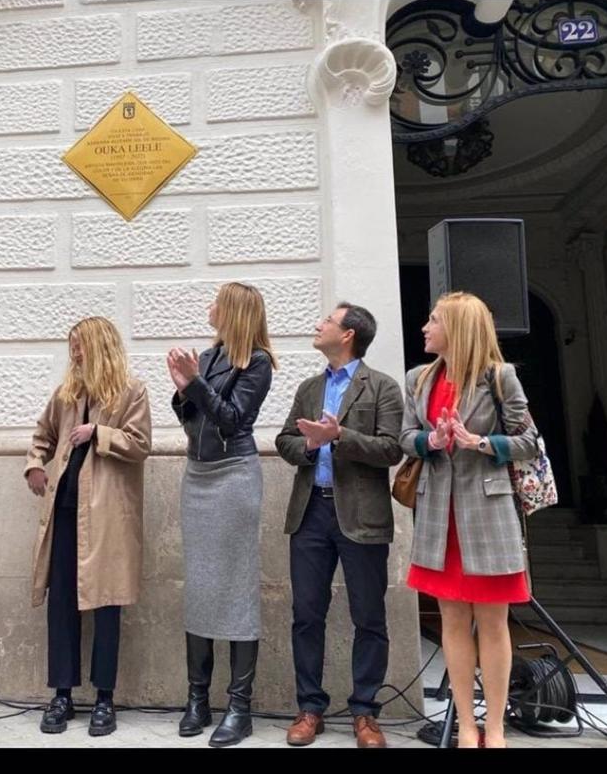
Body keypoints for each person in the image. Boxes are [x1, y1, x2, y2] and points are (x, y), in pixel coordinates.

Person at [401, 291, 537, 749]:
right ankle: (464, 724)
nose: (425, 327)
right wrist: (432, 441)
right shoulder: (418, 378)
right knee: (451, 621)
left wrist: (479, 442)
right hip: (438, 513)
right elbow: (405, 437)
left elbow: (529, 443)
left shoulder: (501, 377)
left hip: (488, 509)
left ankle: (495, 728)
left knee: (494, 623)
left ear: (457, 328)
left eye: (434, 320)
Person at [275, 302, 404, 748]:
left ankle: (365, 713)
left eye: (327, 320)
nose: (319, 324)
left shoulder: (382, 387)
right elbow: (284, 440)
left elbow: (392, 450)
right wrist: (310, 447)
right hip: (310, 512)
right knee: (306, 615)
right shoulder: (310, 387)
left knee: (369, 616)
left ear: (348, 334)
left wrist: (341, 437)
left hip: (361, 516)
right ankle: (310, 707)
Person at [24, 317, 152, 737]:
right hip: (64, 510)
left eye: (79, 345)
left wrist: (99, 431)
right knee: (62, 602)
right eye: (71, 346)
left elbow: (140, 445)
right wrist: (34, 466)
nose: (74, 353)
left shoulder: (132, 390)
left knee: (106, 604)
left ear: (98, 346)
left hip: (108, 516)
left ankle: (104, 698)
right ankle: (61, 694)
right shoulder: (66, 394)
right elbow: (41, 435)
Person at [167, 281, 276, 748]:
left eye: (216, 301)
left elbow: (232, 419)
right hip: (198, 475)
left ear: (233, 311)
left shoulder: (259, 363)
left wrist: (194, 386)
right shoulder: (209, 357)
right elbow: (194, 419)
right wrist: (183, 391)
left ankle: (239, 706)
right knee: (201, 586)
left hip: (234, 476)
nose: (209, 307)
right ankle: (197, 699)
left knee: (234, 587)